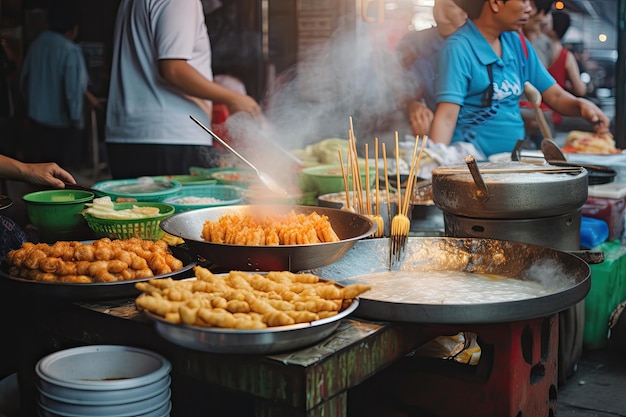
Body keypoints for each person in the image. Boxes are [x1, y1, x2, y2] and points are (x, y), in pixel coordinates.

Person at [428, 0, 610, 159]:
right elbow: (446, 117)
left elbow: (554, 96)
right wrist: (434, 164)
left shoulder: (516, 43)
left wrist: (580, 105)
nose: (529, 8)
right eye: (523, 0)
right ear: (496, 3)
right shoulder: (459, 48)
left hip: (509, 163)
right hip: (473, 166)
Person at [105, 0, 262, 179]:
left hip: (129, 135)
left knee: (136, 207)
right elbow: (173, 69)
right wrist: (234, 98)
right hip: (170, 136)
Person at [19, 0, 95, 169]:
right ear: (73, 29)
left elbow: (23, 80)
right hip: (62, 125)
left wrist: (27, 108)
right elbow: (73, 90)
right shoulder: (70, 50)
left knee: (39, 175)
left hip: (36, 121)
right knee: (61, 177)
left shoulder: (36, 44)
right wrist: (77, 121)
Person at [396, 0, 467, 136]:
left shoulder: (481, 45)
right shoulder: (414, 43)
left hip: (467, 138)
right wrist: (413, 105)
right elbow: (397, 86)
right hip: (425, 135)